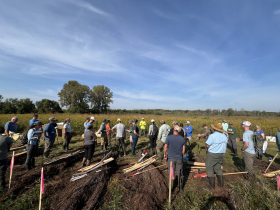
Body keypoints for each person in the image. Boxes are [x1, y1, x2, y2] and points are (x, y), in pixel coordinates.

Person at [205, 124, 227, 190]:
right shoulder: (224, 136)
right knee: (218, 168)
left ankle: (212, 187)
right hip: (220, 154)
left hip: (212, 154)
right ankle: (221, 184)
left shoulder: (212, 136)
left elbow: (207, 145)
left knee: (209, 168)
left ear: (215, 129)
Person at [164, 125, 185, 192]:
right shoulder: (182, 139)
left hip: (171, 158)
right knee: (179, 172)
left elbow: (165, 147)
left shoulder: (169, 137)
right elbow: (183, 151)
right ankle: (180, 186)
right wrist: (181, 156)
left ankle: (171, 187)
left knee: (171, 173)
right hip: (179, 158)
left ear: (173, 130)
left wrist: (165, 154)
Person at [0, 126, 13, 192]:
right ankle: (2, 186)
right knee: (2, 172)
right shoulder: (6, 138)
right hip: (2, 157)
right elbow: (10, 145)